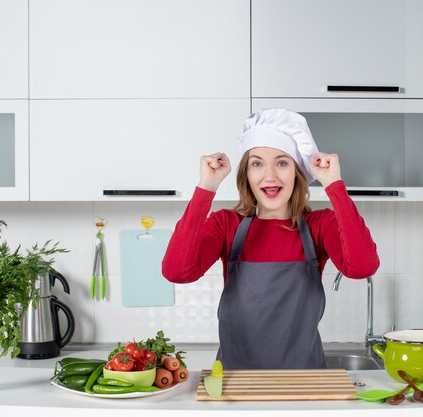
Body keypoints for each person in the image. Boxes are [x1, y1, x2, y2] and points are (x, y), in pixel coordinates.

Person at [162, 108, 379, 369]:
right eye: (257, 163)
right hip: (236, 383)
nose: (270, 176)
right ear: (247, 174)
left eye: (282, 162)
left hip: (305, 383)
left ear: (297, 172)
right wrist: (206, 188)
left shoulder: (319, 225)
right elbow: (177, 272)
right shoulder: (225, 224)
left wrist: (334, 185)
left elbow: (362, 267)